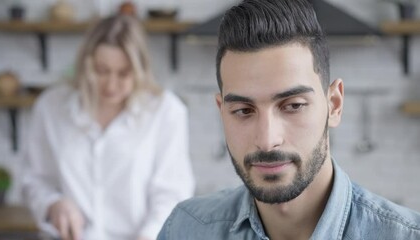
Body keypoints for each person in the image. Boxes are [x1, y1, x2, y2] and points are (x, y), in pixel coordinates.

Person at [157, 0, 420, 239]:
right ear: (221, 112)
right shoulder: (186, 229)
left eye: (293, 106)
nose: (267, 140)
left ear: (334, 105)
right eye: (243, 111)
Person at [22, 15, 195, 240]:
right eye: (101, 71)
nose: (111, 85)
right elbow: (34, 179)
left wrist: (148, 235)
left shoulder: (166, 111)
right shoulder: (51, 107)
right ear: (85, 65)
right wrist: (53, 203)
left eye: (124, 73)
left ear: (140, 69)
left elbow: (172, 192)